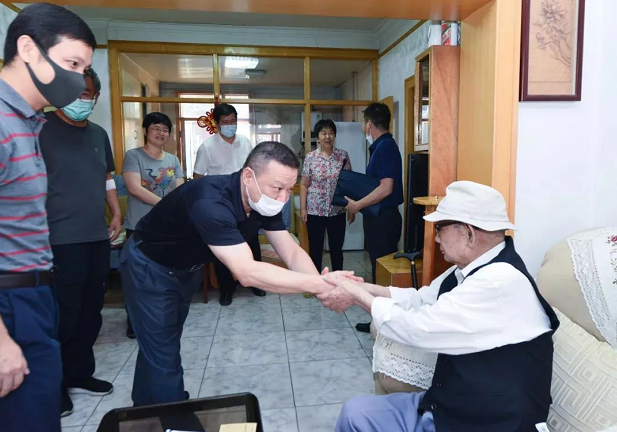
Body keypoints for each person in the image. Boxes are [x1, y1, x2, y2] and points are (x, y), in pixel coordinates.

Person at [119, 141, 357, 407]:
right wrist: (321, 285)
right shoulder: (210, 201)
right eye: (278, 188)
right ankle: (171, 412)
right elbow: (247, 272)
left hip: (185, 269)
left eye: (289, 190)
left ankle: (146, 407)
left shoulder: (261, 200)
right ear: (248, 176)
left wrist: (320, 285)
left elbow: (290, 251)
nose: (283, 199)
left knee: (162, 342)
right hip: (150, 268)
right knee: (163, 349)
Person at [319, 181, 560, 432]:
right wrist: (361, 288)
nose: (435, 237)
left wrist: (356, 295)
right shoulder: (468, 270)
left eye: (440, 228)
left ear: (468, 233)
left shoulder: (500, 282)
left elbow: (418, 329)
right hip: (450, 406)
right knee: (355, 413)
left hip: (487, 422)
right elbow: (420, 299)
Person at [0, 4, 96, 430]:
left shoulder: (27, 122)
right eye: (72, 64)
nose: (78, 80)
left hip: (33, 293)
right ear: (28, 49)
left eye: (84, 70)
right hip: (8, 300)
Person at [39, 67, 120, 417]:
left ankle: (80, 373)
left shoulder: (99, 134)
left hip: (96, 235)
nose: (80, 99)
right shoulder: (39, 129)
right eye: (74, 92)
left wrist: (114, 213)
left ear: (96, 97)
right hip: (58, 239)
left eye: (86, 94)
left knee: (90, 310)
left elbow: (107, 177)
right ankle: (54, 385)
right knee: (63, 315)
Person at [193, 103, 265, 304]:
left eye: (233, 121)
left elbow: (254, 169)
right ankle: (226, 289)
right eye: (225, 122)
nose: (230, 125)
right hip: (221, 205)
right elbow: (198, 178)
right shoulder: (207, 147)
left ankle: (256, 283)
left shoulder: (245, 142)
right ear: (217, 124)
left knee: (251, 244)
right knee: (223, 247)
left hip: (246, 202)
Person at [122, 112, 184, 337]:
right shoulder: (134, 156)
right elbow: (134, 188)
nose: (161, 133)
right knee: (137, 277)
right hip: (139, 226)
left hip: (166, 228)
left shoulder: (173, 160)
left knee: (164, 275)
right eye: (156, 128)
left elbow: (179, 190)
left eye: (165, 129)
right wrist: (164, 205)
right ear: (146, 131)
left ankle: (161, 319)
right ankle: (134, 323)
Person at [345, 103, 403, 333]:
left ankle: (384, 324)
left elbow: (386, 188)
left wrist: (357, 205)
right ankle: (378, 321)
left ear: (369, 124)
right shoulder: (380, 146)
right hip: (378, 218)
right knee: (378, 269)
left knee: (382, 272)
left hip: (384, 220)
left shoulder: (385, 147)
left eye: (363, 123)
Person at [300, 119, 353, 272]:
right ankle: (315, 280)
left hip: (337, 210)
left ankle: (338, 280)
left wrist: (351, 206)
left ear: (335, 135)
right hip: (315, 211)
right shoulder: (310, 157)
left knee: (336, 249)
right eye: (323, 133)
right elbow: (304, 184)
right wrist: (303, 209)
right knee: (315, 250)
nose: (327, 136)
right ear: (317, 138)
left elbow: (348, 183)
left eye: (331, 133)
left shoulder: (343, 156)